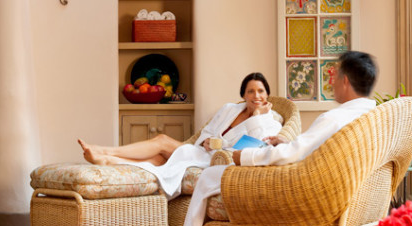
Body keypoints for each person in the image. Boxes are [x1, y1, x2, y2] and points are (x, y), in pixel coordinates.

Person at [159, 51, 378, 226]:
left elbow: (292, 155)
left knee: (209, 176)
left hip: (298, 185)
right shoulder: (372, 114)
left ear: (345, 81)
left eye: (335, 76)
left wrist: (243, 157)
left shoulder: (334, 118)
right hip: (331, 186)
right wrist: (284, 141)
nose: (331, 83)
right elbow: (310, 150)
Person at [78, 73, 283, 199]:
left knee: (162, 141)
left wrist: (257, 117)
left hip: (219, 161)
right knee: (158, 159)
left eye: (261, 91)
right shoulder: (229, 109)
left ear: (267, 94)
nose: (256, 96)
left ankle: (106, 150)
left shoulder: (271, 122)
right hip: (203, 151)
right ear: (243, 94)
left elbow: (252, 148)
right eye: (251, 91)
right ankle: (108, 160)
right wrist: (207, 141)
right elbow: (207, 132)